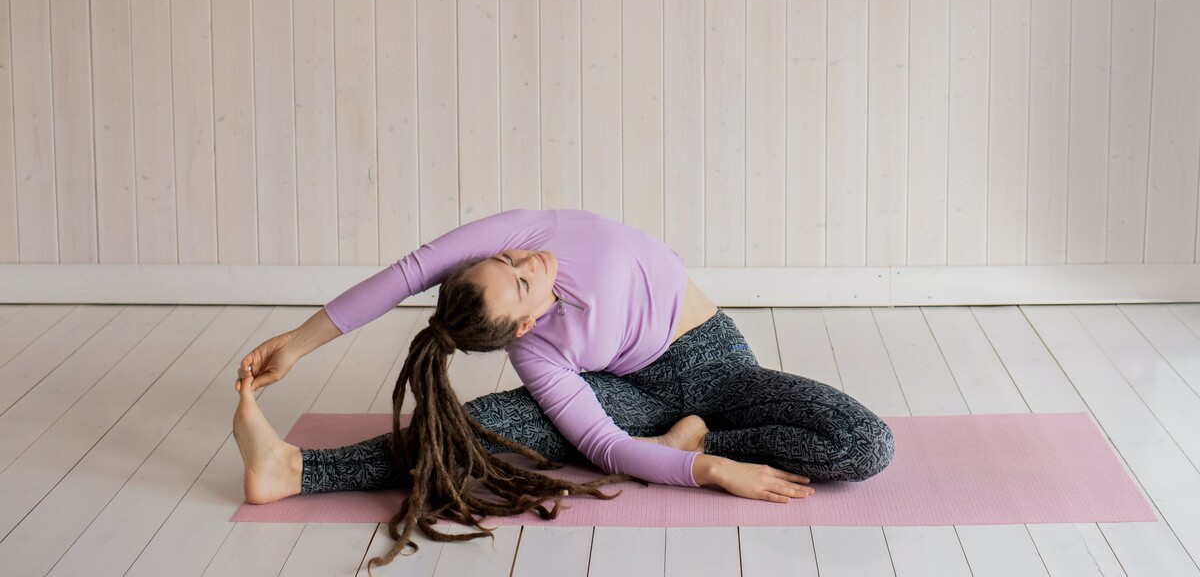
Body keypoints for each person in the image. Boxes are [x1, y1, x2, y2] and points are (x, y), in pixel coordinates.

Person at [232, 208, 894, 574]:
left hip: (720, 365)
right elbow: (604, 444)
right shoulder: (537, 351)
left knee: (866, 442)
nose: (529, 263)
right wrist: (709, 469)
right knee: (494, 423)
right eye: (521, 281)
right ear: (522, 323)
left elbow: (407, 272)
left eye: (510, 261)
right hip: (629, 400)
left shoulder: (525, 231)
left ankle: (691, 431)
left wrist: (294, 342)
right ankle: (296, 468)